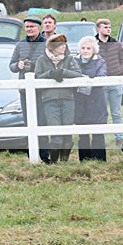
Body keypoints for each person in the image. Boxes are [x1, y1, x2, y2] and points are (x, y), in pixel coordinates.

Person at [34, 34, 82, 163]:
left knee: (67, 131)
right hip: (49, 100)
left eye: (64, 44)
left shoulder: (70, 59)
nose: (63, 47)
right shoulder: (42, 60)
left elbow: (78, 74)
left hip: (68, 98)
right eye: (60, 45)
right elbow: (37, 76)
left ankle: (64, 161)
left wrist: (63, 72)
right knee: (55, 132)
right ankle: (54, 162)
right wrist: (50, 74)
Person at [9, 16, 49, 163]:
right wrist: (18, 65)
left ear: (39, 28)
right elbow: (11, 65)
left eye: (32, 26)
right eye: (27, 27)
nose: (29, 29)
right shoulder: (20, 45)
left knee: (42, 122)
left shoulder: (47, 44)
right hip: (24, 90)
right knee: (27, 121)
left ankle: (45, 155)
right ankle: (31, 154)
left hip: (42, 90)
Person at [74, 36, 108, 162]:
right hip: (80, 101)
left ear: (94, 50)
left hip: (96, 100)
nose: (85, 50)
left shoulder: (100, 62)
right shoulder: (74, 61)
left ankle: (99, 160)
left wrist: (85, 79)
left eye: (88, 48)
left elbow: (101, 76)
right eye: (83, 48)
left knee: (98, 132)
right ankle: (84, 160)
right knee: (83, 134)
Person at [95, 18, 123, 146]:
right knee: (101, 112)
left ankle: (119, 137)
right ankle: (101, 137)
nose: (108, 29)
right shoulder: (93, 44)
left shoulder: (116, 44)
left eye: (109, 27)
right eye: (105, 27)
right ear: (98, 29)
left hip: (115, 82)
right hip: (101, 83)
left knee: (116, 112)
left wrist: (119, 71)